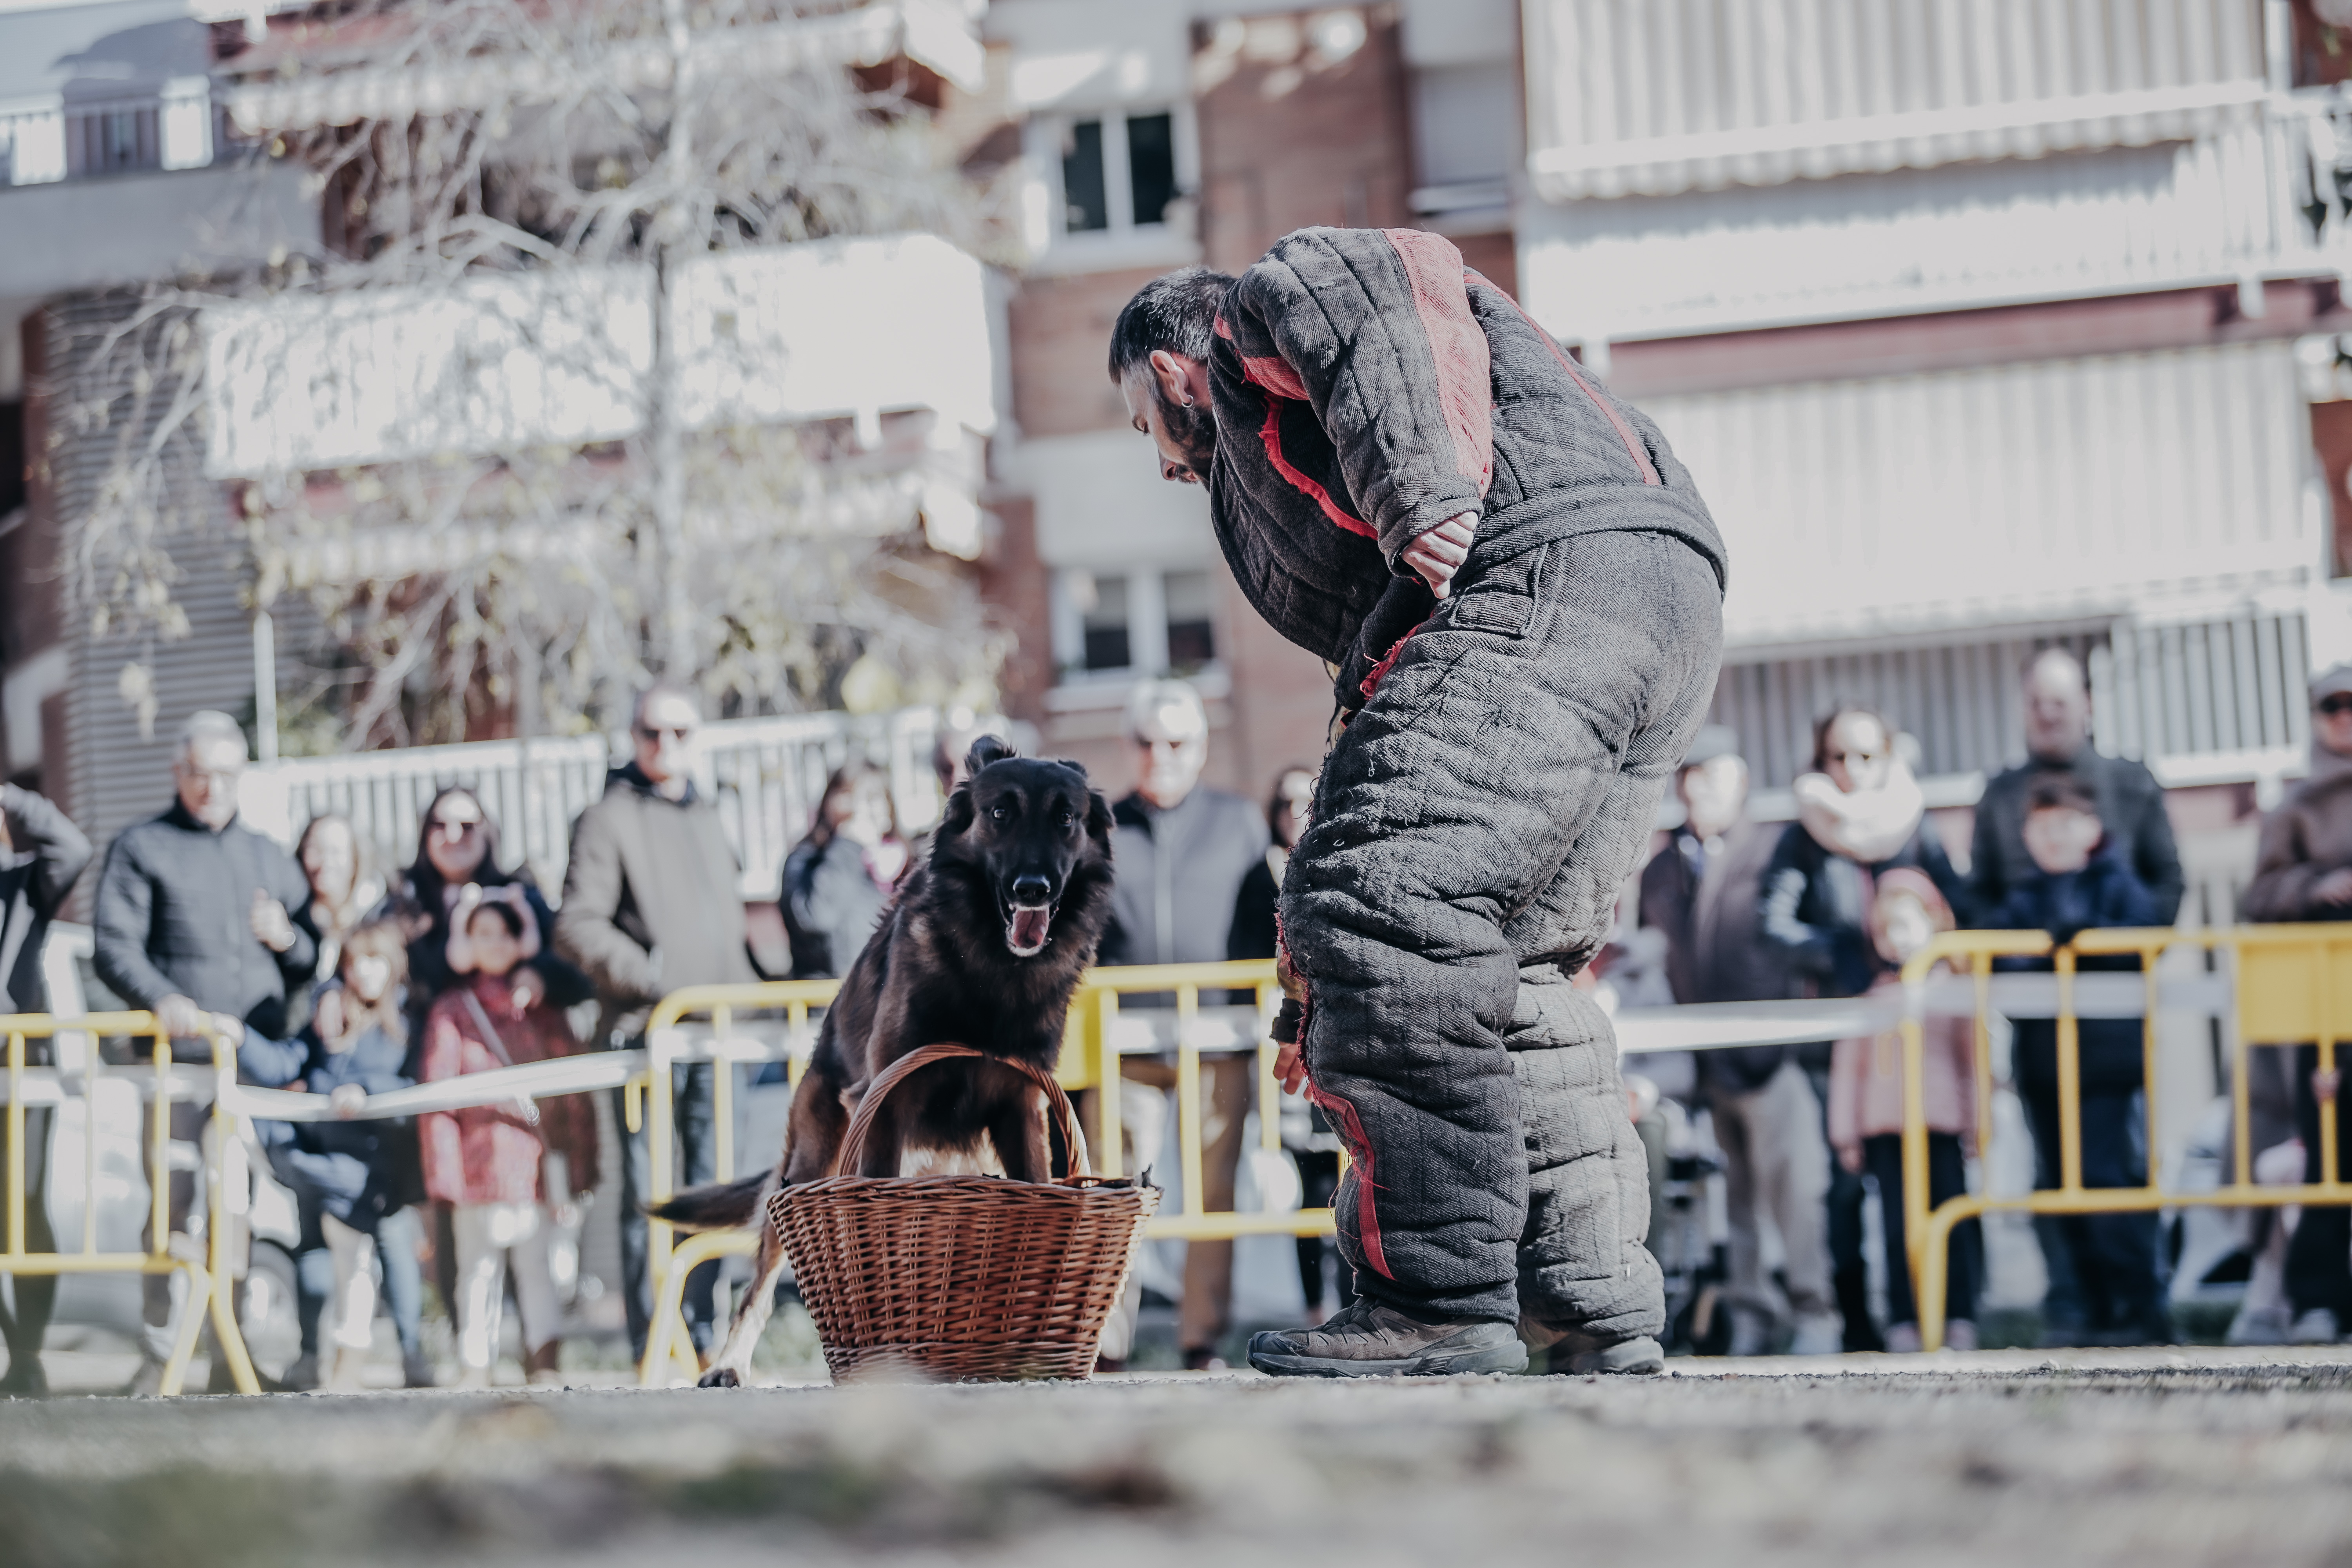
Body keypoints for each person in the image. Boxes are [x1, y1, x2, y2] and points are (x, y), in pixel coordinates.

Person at [1112, 229, 1726, 1377]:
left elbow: (1377, 277)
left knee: (1386, 909)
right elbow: (1378, 716)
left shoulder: (1253, 323)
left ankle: (1434, 1299)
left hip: (1547, 573)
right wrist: (1307, 993)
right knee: (1511, 957)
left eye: (1140, 426)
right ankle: (1581, 1301)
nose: (1158, 465)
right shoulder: (1318, 447)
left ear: (1168, 373)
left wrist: (1421, 493)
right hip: (1655, 597)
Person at [92, 710, 317, 1393]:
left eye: (224, 775)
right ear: (177, 772)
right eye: (198, 773)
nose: (211, 787)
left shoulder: (268, 856)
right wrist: (160, 996)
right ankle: (159, 1354)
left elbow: (310, 953)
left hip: (248, 1070)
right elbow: (114, 946)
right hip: (178, 1070)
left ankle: (231, 1357)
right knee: (173, 1201)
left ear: (241, 776)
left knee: (235, 1210)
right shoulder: (143, 847)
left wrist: (288, 939)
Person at [555, 681, 760, 1365]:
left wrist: (754, 990)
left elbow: (729, 928)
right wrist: (651, 977)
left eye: (679, 732)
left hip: (720, 1034)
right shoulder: (606, 818)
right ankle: (654, 1345)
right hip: (649, 1035)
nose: (665, 745)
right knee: (650, 1194)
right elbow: (578, 923)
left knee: (718, 1189)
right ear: (633, 737)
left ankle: (703, 1339)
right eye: (651, 732)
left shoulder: (709, 814)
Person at [1759, 706, 1963, 1353]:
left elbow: (1960, 907)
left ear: (1887, 758)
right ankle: (1859, 1324)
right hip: (1839, 1044)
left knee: (1935, 1186)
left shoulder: (1916, 824)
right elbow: (1773, 925)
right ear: (1821, 762)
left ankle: (1945, 1311)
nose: (1852, 769)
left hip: (1920, 1042)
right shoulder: (1804, 837)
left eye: (1866, 755)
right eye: (1838, 756)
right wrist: (1836, 952)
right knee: (1844, 1190)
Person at [1096, 679, 1270, 1370]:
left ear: (1200, 748)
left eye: (1176, 742)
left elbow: (1267, 920)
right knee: (1114, 1192)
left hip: (1218, 1035)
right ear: (1127, 747)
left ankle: (1202, 1340)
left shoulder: (1239, 822)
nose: (1160, 755)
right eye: (1147, 741)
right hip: (1122, 1040)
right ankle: (1105, 1344)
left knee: (1212, 1192)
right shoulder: (1100, 828)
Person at [1642, 729, 1834, 1356]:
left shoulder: (1776, 850)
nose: (1699, 788)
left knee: (1797, 1196)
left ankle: (1816, 1313)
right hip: (1703, 1065)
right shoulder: (1663, 868)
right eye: (1690, 776)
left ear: (1742, 783)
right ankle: (1752, 1316)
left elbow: (1808, 943)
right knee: (1735, 1203)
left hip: (1773, 1058)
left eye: (1713, 775)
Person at [1979, 771, 2169, 1346]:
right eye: (2041, 826)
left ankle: (2139, 1307)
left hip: (2105, 1063)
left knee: (2105, 1179)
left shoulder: (2118, 884)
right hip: (2043, 1064)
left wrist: (2083, 939)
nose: (2054, 836)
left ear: (2093, 828)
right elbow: (1997, 958)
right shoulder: (2025, 897)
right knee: (2057, 1183)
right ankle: (2084, 1307)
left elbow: (2142, 940)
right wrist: (2046, 952)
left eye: (2066, 823)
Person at [234, 918, 431, 1390]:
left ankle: (387, 1357)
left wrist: (367, 1091)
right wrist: (239, 1038)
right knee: (330, 1257)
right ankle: (324, 1359)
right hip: (322, 1164)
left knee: (365, 1260)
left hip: (378, 1173)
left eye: (374, 961)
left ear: (393, 965)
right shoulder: (329, 1019)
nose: (363, 971)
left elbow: (418, 1085)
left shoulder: (408, 1024)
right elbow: (283, 1062)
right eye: (355, 962)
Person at [420, 898, 599, 1387]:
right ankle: (474, 1365)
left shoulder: (545, 1008)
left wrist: (580, 1164)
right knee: (477, 1271)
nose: (495, 943)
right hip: (475, 1169)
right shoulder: (453, 1010)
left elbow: (572, 1096)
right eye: (484, 933)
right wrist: (445, 1176)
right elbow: (438, 1098)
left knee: (538, 1268)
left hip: (535, 1168)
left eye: (505, 932)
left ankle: (544, 1362)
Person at [2241, 662, 2352, 1341]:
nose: (2345, 718)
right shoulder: (2295, 807)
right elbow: (2258, 896)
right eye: (2332, 706)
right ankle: (2319, 1298)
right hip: (2326, 1015)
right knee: (2329, 1150)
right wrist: (2318, 886)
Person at [1827, 869, 1983, 1353]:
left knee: (1953, 1223)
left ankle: (1958, 1315)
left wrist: (1980, 1123)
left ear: (1933, 921)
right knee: (1896, 1228)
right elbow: (1849, 1070)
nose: (1895, 937)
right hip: (1886, 1129)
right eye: (1884, 928)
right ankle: (1904, 1319)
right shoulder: (1874, 995)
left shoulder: (1954, 990)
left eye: (1904, 924)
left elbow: (1974, 1061)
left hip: (1941, 1126)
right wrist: (1846, 1134)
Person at [1227, 766, 1351, 1320]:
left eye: (1307, 799)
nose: (1296, 811)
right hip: (1290, 1035)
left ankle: (1355, 1301)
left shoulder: (1343, 858)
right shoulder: (1261, 874)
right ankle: (1314, 1310)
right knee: (1308, 1183)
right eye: (1285, 801)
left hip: (1344, 1039)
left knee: (1353, 1177)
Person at [1969, 648, 2183, 927]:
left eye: (2059, 703)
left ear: (2087, 703)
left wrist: (2123, 945)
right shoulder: (2000, 795)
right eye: (2035, 703)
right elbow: (1980, 894)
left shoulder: (2133, 783)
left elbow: (2167, 881)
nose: (2047, 714)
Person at [0, 782, 93, 1395]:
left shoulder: (23, 884)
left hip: (21, 1078)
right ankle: (17, 1348)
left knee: (26, 1213)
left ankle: (28, 1354)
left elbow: (74, 848)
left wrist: (10, 795)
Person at [780, 763, 908, 980]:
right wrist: (848, 847)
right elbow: (816, 919)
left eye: (873, 798)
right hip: (830, 996)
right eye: (848, 796)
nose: (860, 809)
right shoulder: (805, 861)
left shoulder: (908, 863)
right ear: (828, 804)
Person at [293, 813, 387, 989]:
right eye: (315, 849)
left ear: (355, 859)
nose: (325, 861)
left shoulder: (380, 914)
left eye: (335, 851)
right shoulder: (293, 916)